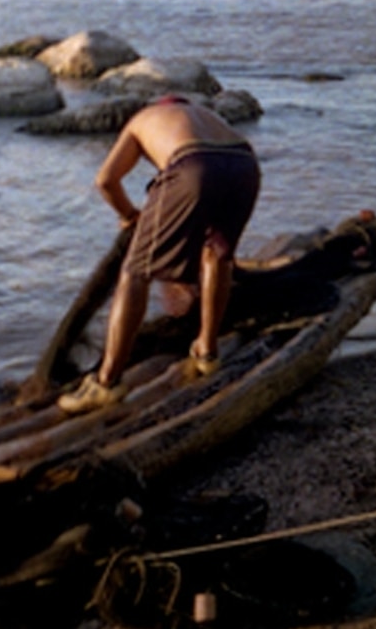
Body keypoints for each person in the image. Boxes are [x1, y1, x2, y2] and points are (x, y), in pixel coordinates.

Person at [56, 96, 261, 416]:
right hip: (244, 164)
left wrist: (128, 215)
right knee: (218, 255)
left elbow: (106, 181)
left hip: (194, 164)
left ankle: (106, 383)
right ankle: (207, 352)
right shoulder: (205, 115)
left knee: (135, 272)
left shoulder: (142, 119)